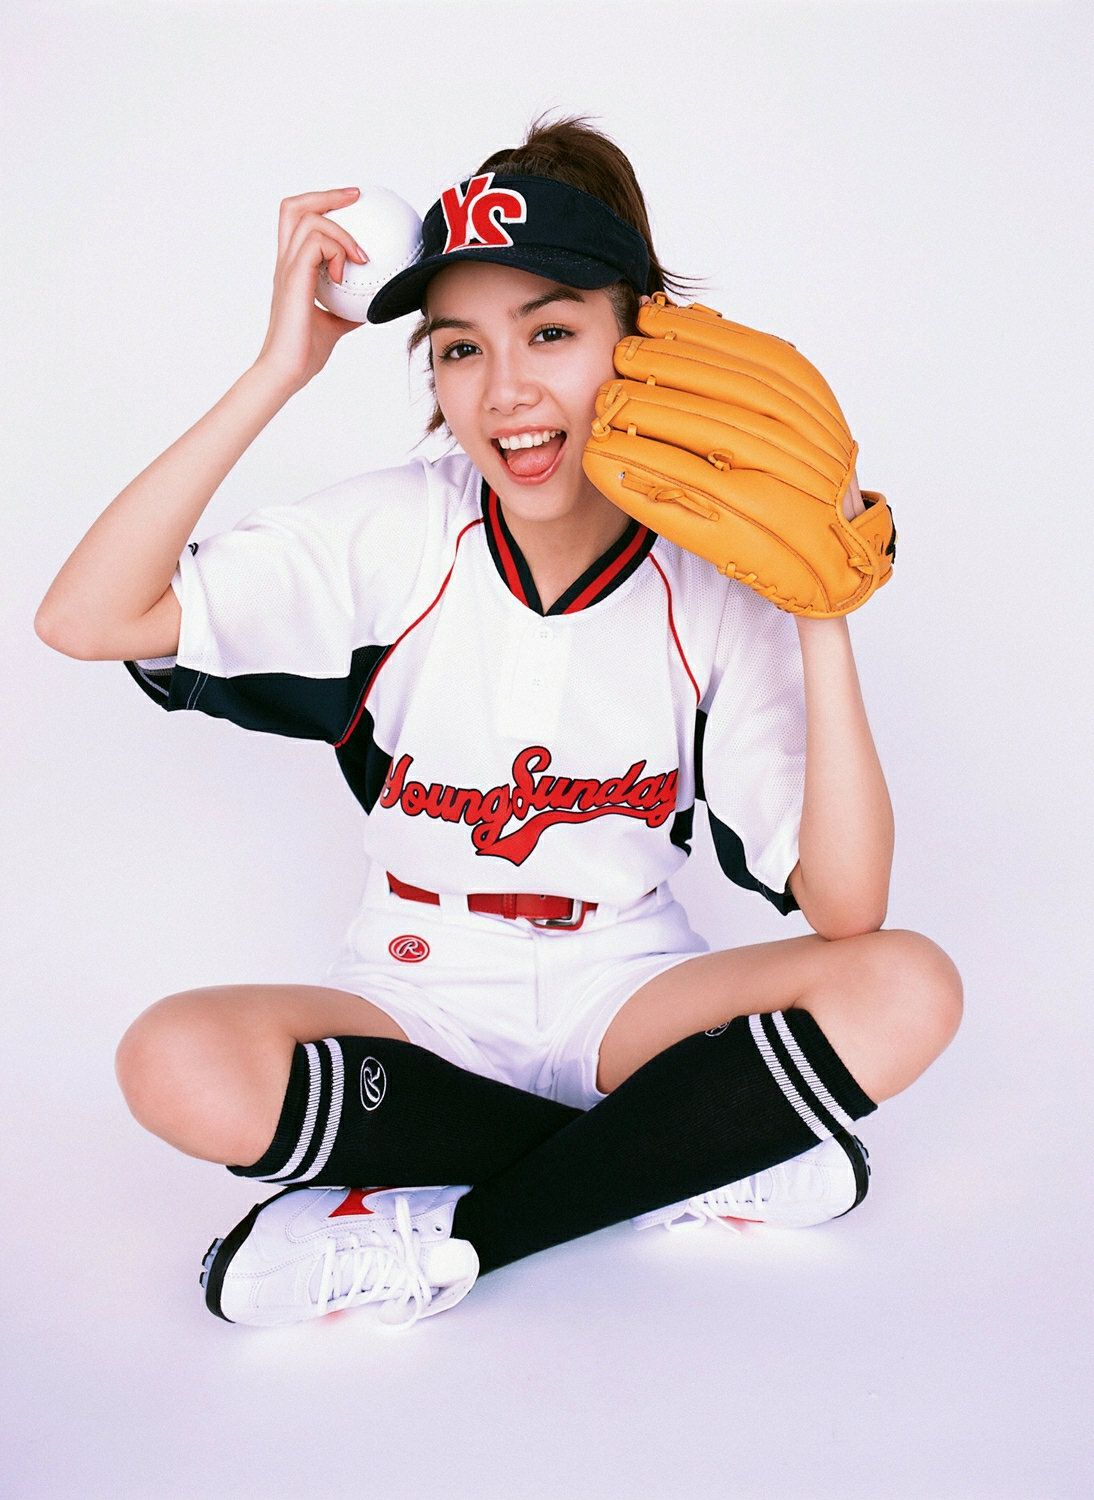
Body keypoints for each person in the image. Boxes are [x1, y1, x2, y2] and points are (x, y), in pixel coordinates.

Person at [35, 111, 964, 1332]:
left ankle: (466, 1233)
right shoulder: (394, 532)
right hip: (417, 988)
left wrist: (821, 606)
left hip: (622, 985)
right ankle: (683, 1154)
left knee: (907, 987)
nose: (506, 389)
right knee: (174, 1059)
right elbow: (86, 618)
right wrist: (279, 370)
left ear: (641, 339)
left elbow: (847, 910)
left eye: (551, 331)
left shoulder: (712, 575)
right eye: (458, 348)